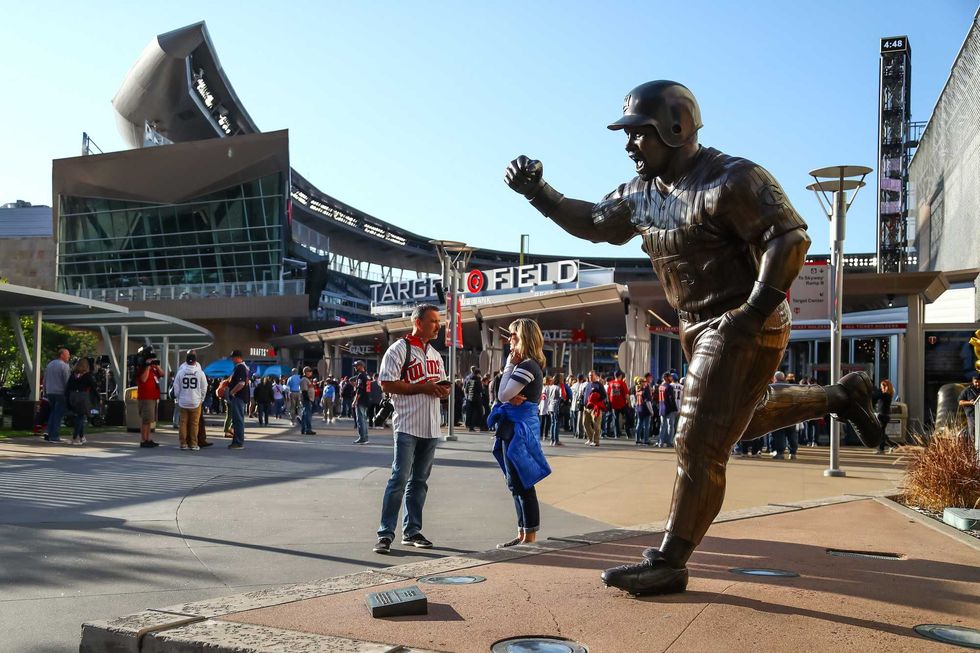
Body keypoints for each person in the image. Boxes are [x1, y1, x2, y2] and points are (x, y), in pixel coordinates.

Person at [506, 79, 882, 596]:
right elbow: (594, 222)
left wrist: (752, 311)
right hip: (697, 329)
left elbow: (789, 238)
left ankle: (671, 559)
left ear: (676, 128)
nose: (628, 144)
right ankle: (842, 394)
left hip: (746, 321)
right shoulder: (640, 195)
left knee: (697, 440)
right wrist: (538, 193)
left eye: (639, 134)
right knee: (737, 427)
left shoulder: (734, 179)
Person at [372, 303, 450, 554]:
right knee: (399, 478)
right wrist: (422, 387)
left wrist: (442, 389)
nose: (438, 325)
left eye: (438, 321)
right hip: (407, 423)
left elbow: (440, 385)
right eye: (433, 321)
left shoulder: (436, 355)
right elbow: (386, 383)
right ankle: (385, 534)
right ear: (418, 323)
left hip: (431, 425)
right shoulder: (399, 349)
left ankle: (412, 530)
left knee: (420, 481)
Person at [488, 318, 552, 547]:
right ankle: (524, 533)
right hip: (513, 427)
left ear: (523, 337)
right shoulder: (525, 365)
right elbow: (504, 394)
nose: (509, 339)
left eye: (513, 335)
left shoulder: (527, 366)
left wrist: (507, 367)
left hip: (519, 429)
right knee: (515, 481)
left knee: (521, 482)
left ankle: (529, 536)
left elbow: (503, 395)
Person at [172, 351, 207, 451]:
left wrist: (178, 397)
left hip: (183, 401)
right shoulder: (200, 373)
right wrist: (202, 398)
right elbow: (204, 387)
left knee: (183, 423)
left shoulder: (181, 372)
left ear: (186, 361)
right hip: (195, 401)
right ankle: (193, 444)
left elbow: (176, 387)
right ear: (195, 361)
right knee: (194, 424)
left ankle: (183, 443)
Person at [66, 357, 98, 445]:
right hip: (82, 397)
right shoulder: (87, 375)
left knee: (79, 416)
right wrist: (98, 398)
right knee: (80, 418)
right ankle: (74, 438)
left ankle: (82, 437)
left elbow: (68, 387)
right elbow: (93, 387)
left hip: (73, 396)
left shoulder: (73, 375)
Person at [43, 348, 71, 443]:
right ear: (62, 355)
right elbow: (67, 381)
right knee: (58, 414)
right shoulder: (64, 366)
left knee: (53, 412)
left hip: (50, 392)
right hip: (60, 393)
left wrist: (45, 391)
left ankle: (47, 432)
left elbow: (45, 379)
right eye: (67, 354)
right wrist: (69, 393)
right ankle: (54, 436)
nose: (69, 356)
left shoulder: (50, 364)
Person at [136, 350, 163, 448]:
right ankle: (144, 440)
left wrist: (157, 365)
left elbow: (162, 374)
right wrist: (147, 366)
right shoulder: (142, 368)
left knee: (150, 420)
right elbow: (143, 379)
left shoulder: (154, 368)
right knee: (146, 420)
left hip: (153, 397)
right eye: (151, 358)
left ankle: (148, 438)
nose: (153, 360)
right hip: (146, 398)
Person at [226, 350, 250, 449]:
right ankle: (236, 440)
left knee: (238, 420)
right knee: (237, 420)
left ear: (237, 357)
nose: (232, 360)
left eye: (233, 358)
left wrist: (232, 392)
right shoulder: (244, 367)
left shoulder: (240, 367)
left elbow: (241, 383)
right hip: (241, 397)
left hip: (238, 397)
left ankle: (238, 442)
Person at [873, 379, 899, 454]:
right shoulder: (888, 395)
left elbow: (876, 396)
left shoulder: (885, 395)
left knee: (880, 433)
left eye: (881, 386)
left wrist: (876, 390)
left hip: (883, 416)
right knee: (882, 433)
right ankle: (893, 445)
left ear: (885, 386)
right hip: (884, 416)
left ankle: (882, 449)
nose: (880, 388)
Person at [656, 372, 679, 448]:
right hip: (669, 408)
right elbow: (671, 399)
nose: (671, 378)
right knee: (671, 426)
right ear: (666, 378)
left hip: (662, 408)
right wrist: (675, 408)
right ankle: (669, 441)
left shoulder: (660, 387)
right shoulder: (669, 387)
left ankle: (661, 442)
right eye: (669, 377)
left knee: (662, 426)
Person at [351, 360, 370, 443]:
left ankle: (362, 437)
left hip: (361, 400)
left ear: (361, 366)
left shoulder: (360, 376)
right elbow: (368, 389)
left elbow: (360, 390)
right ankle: (365, 437)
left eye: (356, 366)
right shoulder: (367, 376)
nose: (355, 367)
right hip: (367, 399)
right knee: (364, 419)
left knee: (360, 419)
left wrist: (355, 401)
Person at [957, 372, 980, 438]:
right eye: (976, 382)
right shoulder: (967, 390)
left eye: (979, 382)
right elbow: (960, 402)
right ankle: (974, 446)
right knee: (973, 432)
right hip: (971, 415)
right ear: (972, 381)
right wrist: (970, 402)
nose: (977, 384)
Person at [463, 366, 485, 432]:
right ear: (478, 373)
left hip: (469, 398)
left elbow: (466, 389)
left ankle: (470, 426)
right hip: (476, 399)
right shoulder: (478, 380)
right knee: (479, 412)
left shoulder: (468, 379)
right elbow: (480, 390)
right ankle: (481, 426)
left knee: (470, 413)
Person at [299, 366, 317, 436]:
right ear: (305, 372)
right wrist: (308, 399)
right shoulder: (304, 380)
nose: (311, 372)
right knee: (308, 415)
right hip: (307, 399)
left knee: (305, 414)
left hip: (309, 399)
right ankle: (308, 429)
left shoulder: (307, 380)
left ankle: (303, 428)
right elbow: (304, 391)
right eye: (309, 371)